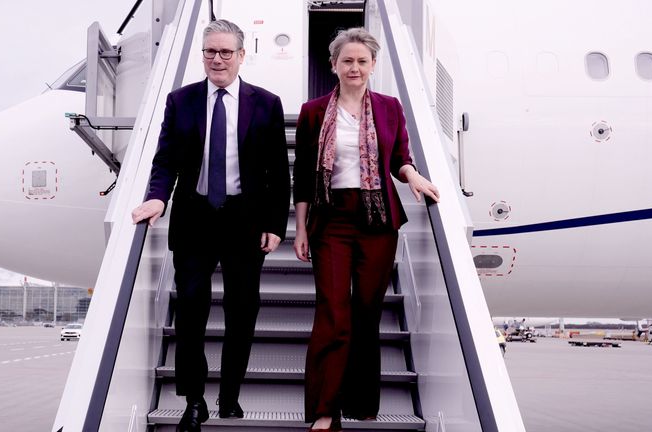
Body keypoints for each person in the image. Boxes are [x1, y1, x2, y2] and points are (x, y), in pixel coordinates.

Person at [131, 19, 290, 432]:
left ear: (241, 55)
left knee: (242, 311)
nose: (216, 59)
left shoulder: (266, 103)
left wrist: (275, 223)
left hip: (245, 221)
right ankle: (194, 400)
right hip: (195, 218)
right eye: (209, 52)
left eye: (225, 52)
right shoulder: (180, 100)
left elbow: (278, 171)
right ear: (202, 54)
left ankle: (230, 393)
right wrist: (156, 198)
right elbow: (164, 160)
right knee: (191, 312)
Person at [292, 28, 440, 431]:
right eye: (347, 61)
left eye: (362, 61)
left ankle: (359, 399)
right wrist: (302, 228)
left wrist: (413, 177)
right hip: (331, 219)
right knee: (333, 311)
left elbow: (399, 158)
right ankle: (325, 410)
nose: (354, 67)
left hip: (378, 220)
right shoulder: (313, 111)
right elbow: (303, 177)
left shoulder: (390, 108)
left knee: (366, 313)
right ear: (334, 65)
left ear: (372, 65)